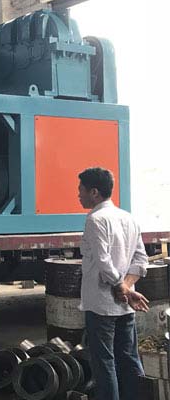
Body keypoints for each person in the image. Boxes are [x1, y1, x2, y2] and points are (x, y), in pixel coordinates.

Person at [78, 167, 149, 400]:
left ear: (94, 192)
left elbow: (103, 261)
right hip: (126, 305)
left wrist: (120, 287)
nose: (78, 195)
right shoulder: (129, 218)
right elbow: (141, 260)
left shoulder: (95, 219)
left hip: (102, 305)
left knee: (104, 363)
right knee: (129, 358)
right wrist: (127, 287)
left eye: (81, 190)